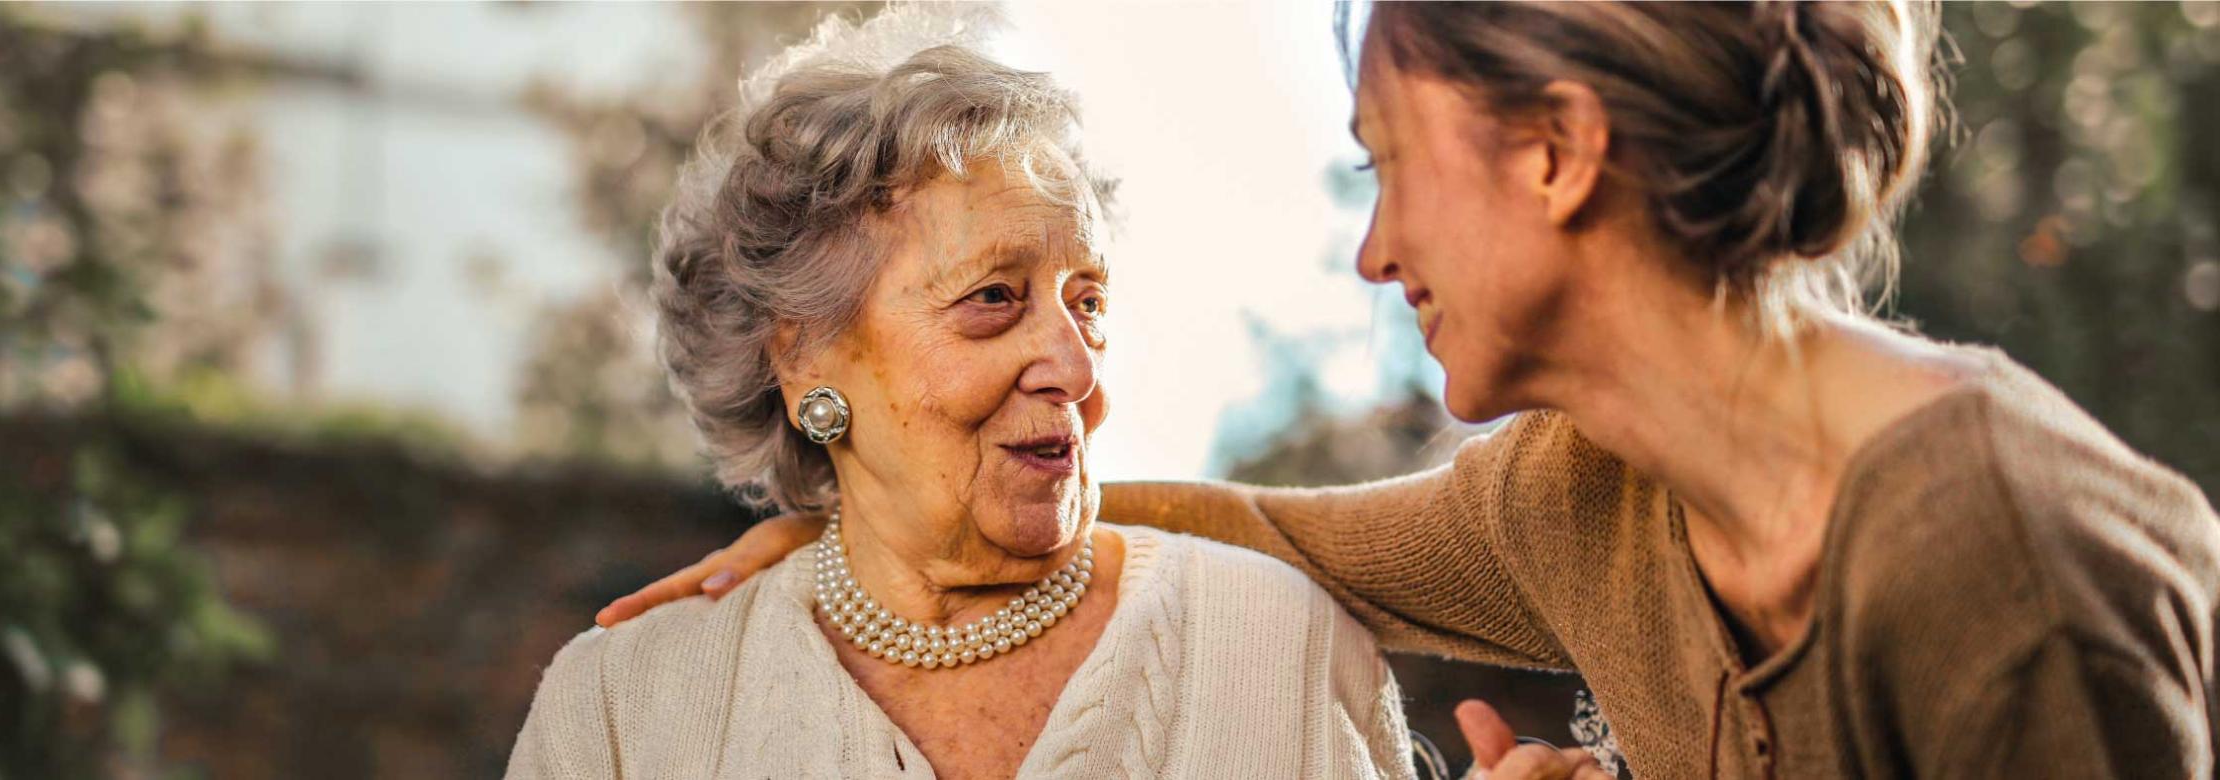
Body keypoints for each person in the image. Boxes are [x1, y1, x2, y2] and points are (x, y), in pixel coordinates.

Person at [598, 2, 2220, 778]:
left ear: (1556, 152)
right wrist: (878, 526)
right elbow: (1269, 536)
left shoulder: (1998, 563)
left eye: (1388, 169)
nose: (1374, 253)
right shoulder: (1582, 495)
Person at [505, 9, 1447, 779]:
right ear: (804, 361)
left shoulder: (1278, 648)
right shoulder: (624, 709)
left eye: (1089, 303)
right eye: (993, 298)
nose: (1077, 371)